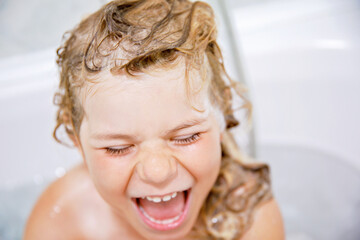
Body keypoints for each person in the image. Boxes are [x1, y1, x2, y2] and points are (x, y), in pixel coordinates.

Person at [24, 0, 284, 239]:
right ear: (77, 141)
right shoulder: (63, 222)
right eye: (118, 148)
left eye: (186, 137)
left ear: (222, 115)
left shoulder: (248, 219)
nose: (157, 172)